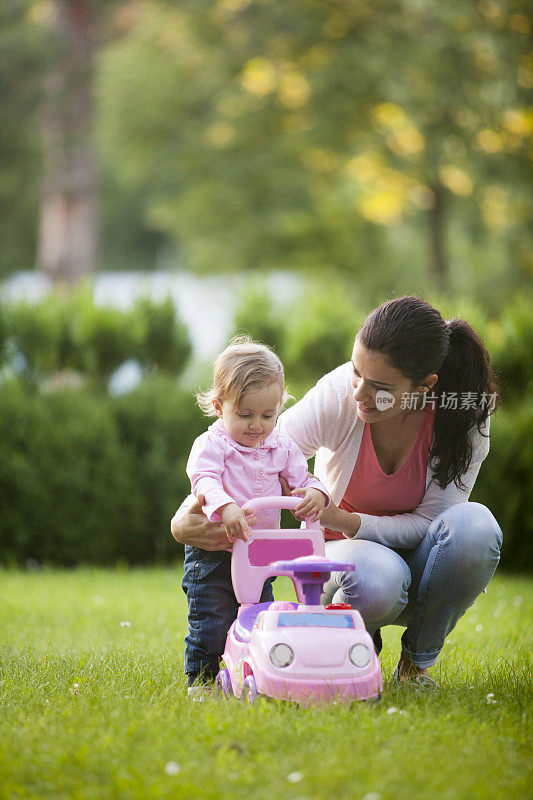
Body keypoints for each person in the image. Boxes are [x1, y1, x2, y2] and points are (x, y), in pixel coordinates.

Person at [172, 297, 502, 690]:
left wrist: (342, 518)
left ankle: (416, 665)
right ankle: (350, 643)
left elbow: (435, 524)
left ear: (424, 386)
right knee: (378, 578)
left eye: (378, 387)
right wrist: (186, 517)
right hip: (352, 560)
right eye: (356, 372)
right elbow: (257, 451)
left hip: (425, 561)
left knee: (476, 528)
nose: (359, 393)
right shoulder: (342, 395)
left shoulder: (463, 419)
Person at [182, 337, 329, 695]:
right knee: (213, 619)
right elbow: (204, 480)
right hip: (215, 552)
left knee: (257, 615)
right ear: (219, 407)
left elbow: (303, 478)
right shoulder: (213, 445)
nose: (257, 425)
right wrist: (225, 506)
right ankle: (201, 680)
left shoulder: (282, 446)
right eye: (244, 415)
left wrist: (315, 492)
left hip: (260, 552)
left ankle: (255, 669)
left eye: (268, 415)